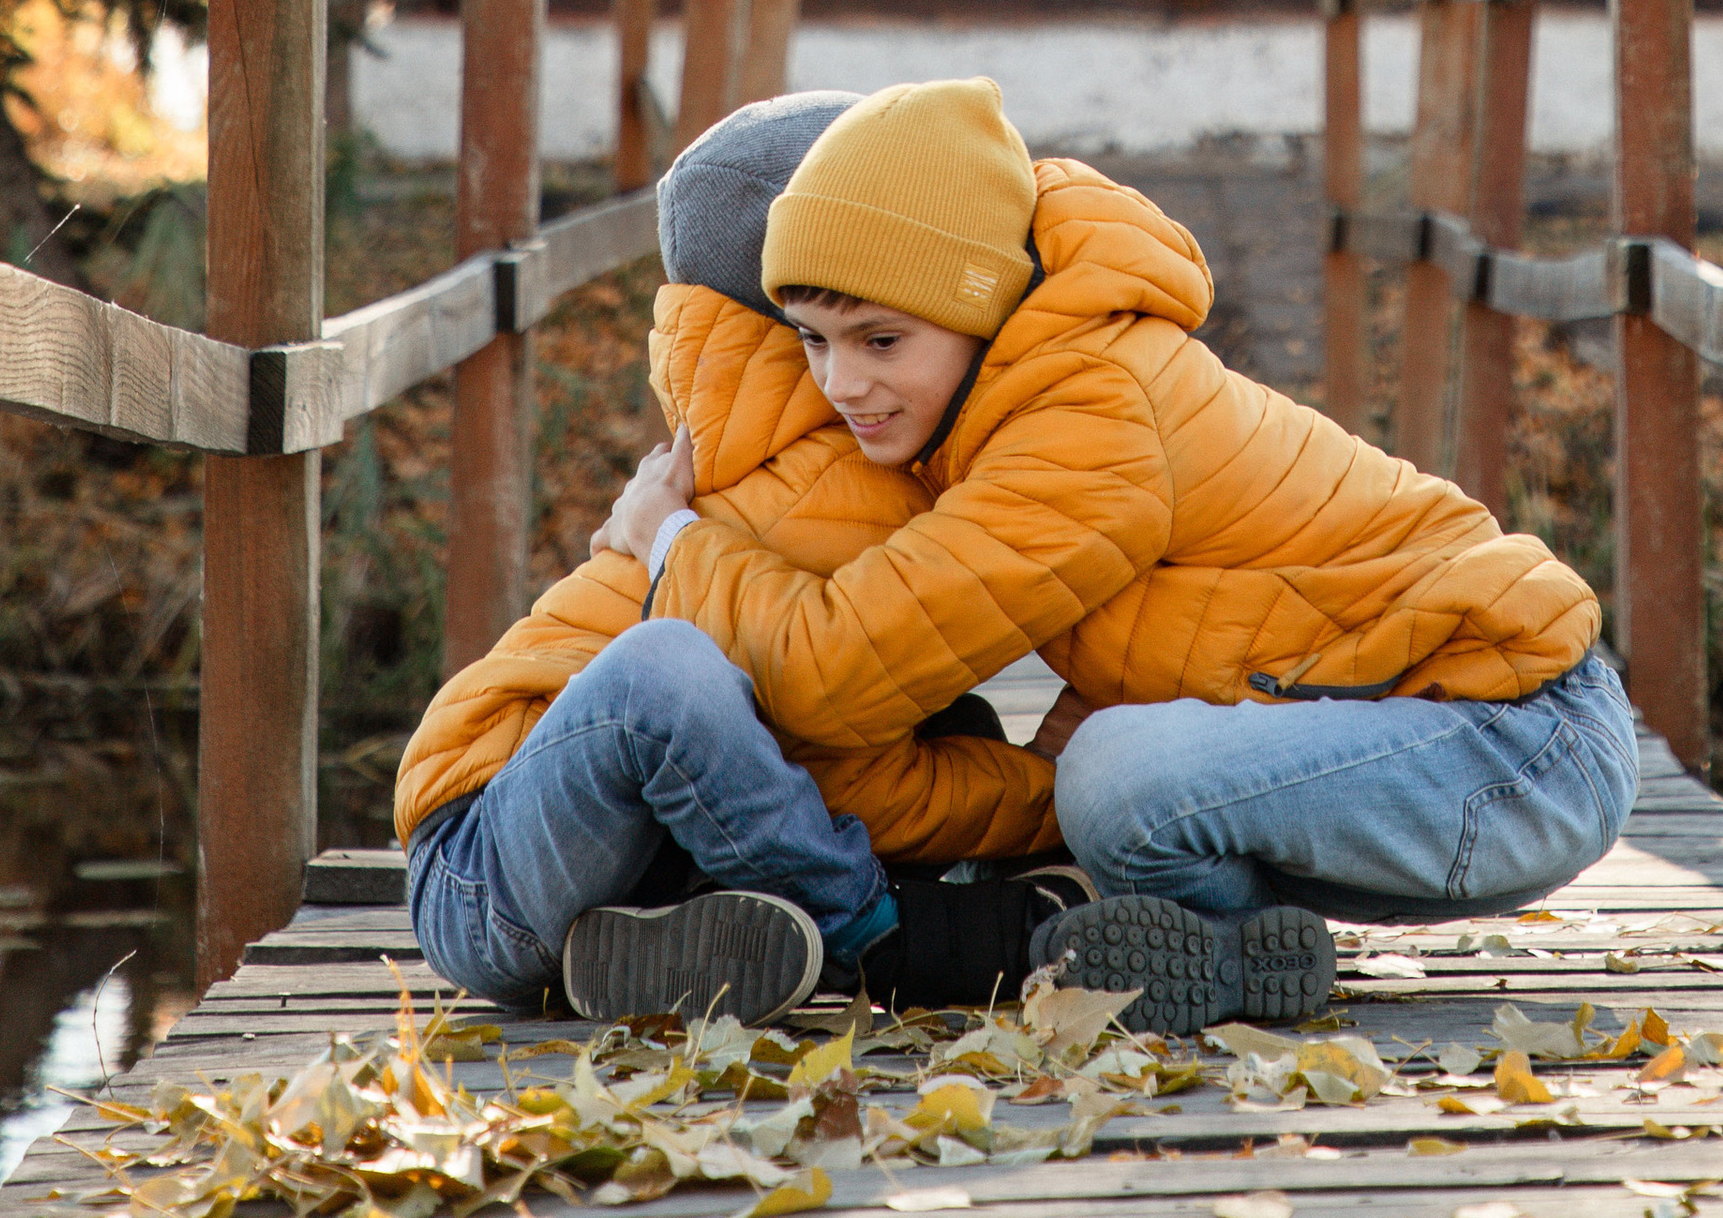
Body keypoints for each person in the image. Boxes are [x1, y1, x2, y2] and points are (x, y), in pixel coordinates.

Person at [603, 73, 1642, 1035]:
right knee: (1092, 784)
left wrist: (673, 543)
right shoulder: (1012, 394)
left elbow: (833, 678)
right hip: (1411, 729)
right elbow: (1149, 652)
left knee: (1111, 786)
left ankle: (1217, 952)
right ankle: (1222, 950)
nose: (843, 384)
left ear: (977, 307)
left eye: (882, 340)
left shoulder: (1087, 418)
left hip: (1515, 746)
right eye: (812, 341)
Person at [393, 93, 1082, 1026]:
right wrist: (1058, 799)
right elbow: (850, 777)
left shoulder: (816, 444)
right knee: (659, 673)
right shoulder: (838, 480)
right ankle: (883, 934)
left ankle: (667, 944)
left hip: (644, 851)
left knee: (947, 717)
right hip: (486, 859)